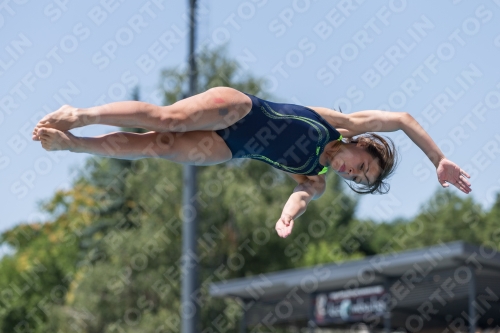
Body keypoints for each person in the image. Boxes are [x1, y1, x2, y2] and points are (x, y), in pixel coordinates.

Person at [32, 87, 471, 238]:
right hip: (240, 110)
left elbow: (301, 195)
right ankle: (82, 115)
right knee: (170, 120)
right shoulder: (339, 124)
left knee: (157, 145)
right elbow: (402, 119)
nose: (352, 173)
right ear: (363, 146)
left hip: (231, 148)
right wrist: (439, 157)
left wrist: (287, 213)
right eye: (361, 165)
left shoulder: (315, 177)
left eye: (358, 178)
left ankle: (75, 145)